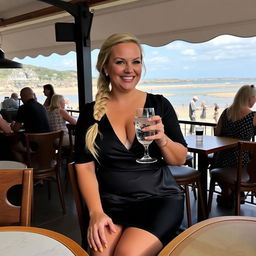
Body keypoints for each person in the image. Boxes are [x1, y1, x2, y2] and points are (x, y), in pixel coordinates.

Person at [74, 33, 187, 256]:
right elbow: (84, 166)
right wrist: (96, 212)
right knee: (100, 254)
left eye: (136, 61)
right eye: (120, 62)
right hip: (111, 203)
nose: (130, 69)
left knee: (128, 253)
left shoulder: (159, 104)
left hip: (158, 198)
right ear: (105, 67)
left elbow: (180, 158)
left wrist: (163, 139)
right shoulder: (90, 112)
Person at [212, 84, 256, 207]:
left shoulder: (226, 112)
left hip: (221, 158)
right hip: (242, 161)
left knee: (215, 167)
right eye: (255, 97)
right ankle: (236, 193)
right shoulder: (253, 116)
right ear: (249, 98)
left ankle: (229, 192)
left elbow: (217, 133)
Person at [11, 87, 50, 162]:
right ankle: (31, 164)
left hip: (34, 144)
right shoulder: (41, 106)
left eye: (21, 96)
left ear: (24, 96)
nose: (21, 99)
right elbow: (36, 123)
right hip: (47, 143)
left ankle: (25, 170)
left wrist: (12, 125)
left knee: (14, 147)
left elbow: (15, 129)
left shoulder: (23, 107)